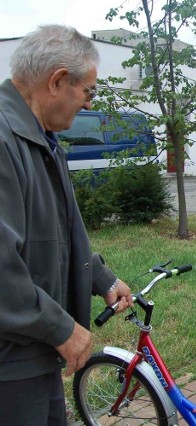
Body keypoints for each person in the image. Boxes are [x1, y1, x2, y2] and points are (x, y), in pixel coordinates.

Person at [0, 25, 134, 425]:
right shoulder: (5, 141)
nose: (88, 104)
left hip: (35, 350)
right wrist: (62, 328)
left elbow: (54, 232)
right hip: (11, 363)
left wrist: (102, 278)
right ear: (58, 81)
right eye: (88, 91)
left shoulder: (41, 139)